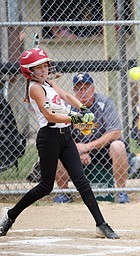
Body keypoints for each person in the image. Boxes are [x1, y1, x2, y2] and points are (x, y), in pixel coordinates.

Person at [0, 48, 119, 239]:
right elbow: (49, 116)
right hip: (49, 138)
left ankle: (101, 224)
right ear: (29, 71)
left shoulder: (48, 82)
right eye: (39, 68)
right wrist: (75, 119)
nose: (44, 70)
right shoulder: (34, 88)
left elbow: (66, 96)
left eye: (45, 66)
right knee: (46, 187)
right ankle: (10, 215)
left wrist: (82, 108)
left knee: (81, 181)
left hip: (65, 137)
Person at [53, 73, 130, 204]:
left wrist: (87, 147)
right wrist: (79, 150)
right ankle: (64, 193)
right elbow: (62, 132)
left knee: (118, 146)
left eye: (86, 88)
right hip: (77, 150)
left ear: (93, 89)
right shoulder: (68, 106)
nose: (83, 92)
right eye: (78, 89)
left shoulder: (104, 103)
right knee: (58, 147)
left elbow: (116, 132)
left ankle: (121, 192)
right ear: (74, 91)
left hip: (103, 151)